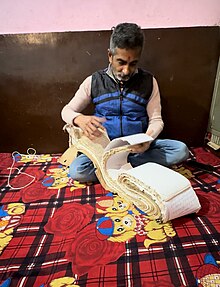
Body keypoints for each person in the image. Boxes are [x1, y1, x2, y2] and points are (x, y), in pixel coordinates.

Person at [61, 22, 189, 183]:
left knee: (180, 151)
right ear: (110, 55)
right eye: (121, 62)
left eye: (133, 63)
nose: (126, 70)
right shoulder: (94, 81)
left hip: (138, 148)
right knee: (78, 171)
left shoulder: (149, 81)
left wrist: (148, 140)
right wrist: (79, 119)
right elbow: (66, 111)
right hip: (104, 150)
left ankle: (117, 168)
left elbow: (156, 120)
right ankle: (129, 167)